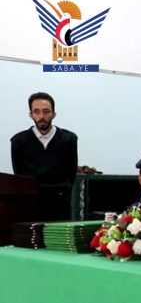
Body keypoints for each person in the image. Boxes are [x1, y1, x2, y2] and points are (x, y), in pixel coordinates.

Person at [10, 92, 78, 221]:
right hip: (30, 207)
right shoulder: (18, 141)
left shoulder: (68, 139)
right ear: (31, 115)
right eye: (36, 112)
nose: (41, 116)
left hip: (60, 205)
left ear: (54, 114)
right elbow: (19, 175)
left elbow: (71, 174)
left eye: (46, 112)